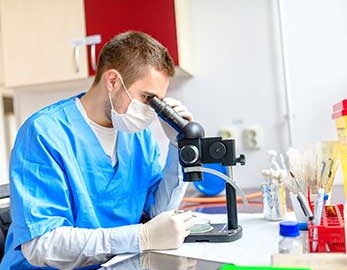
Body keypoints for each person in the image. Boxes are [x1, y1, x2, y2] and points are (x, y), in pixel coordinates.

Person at [1, 31, 194, 269]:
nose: (151, 110)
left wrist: (179, 147)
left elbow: (157, 214)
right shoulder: (44, 132)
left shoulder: (138, 136)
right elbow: (41, 245)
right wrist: (139, 238)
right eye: (147, 98)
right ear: (112, 81)